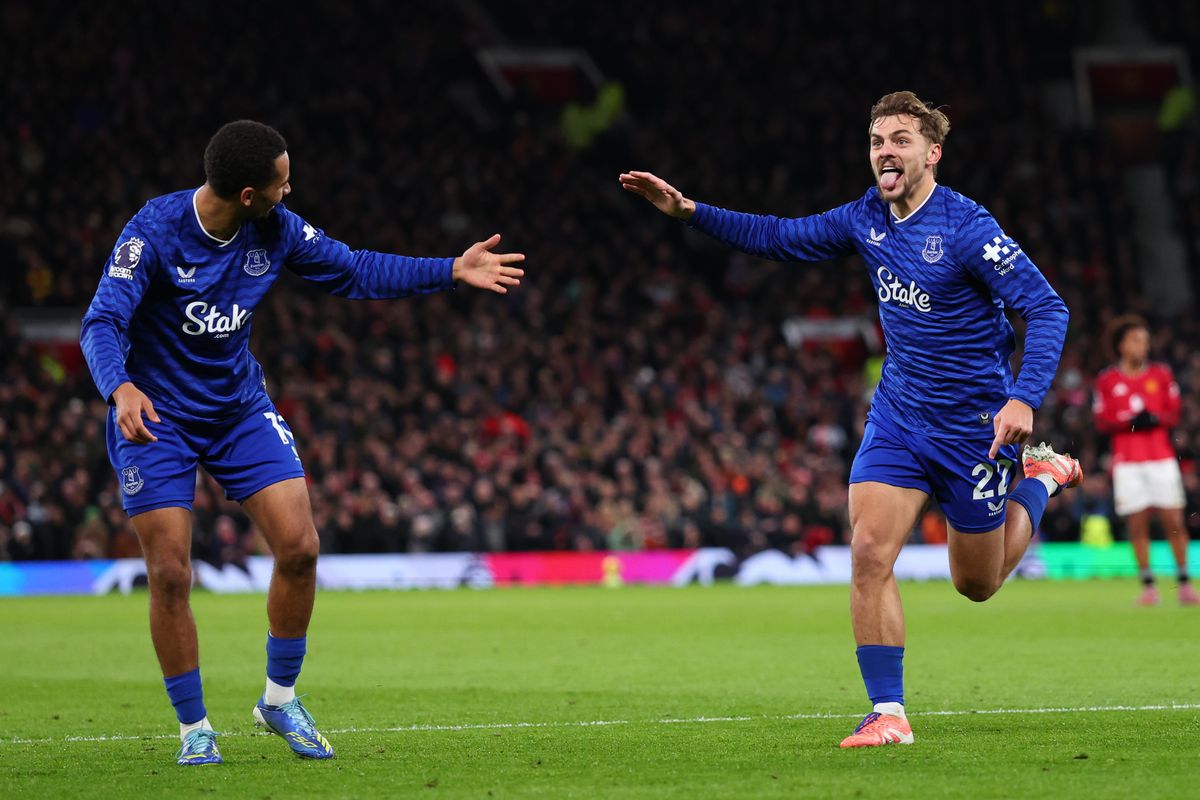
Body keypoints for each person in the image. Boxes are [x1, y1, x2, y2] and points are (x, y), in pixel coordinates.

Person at [620, 91, 1081, 748]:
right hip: (899, 416)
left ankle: (1042, 479)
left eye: (900, 140)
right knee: (868, 552)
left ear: (932, 153)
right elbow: (779, 237)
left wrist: (1025, 398)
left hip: (974, 427)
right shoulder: (865, 217)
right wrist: (690, 211)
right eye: (876, 141)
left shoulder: (967, 227)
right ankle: (888, 712)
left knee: (976, 584)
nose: (885, 151)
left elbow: (1047, 307)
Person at [81, 120, 525, 766]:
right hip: (154, 415)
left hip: (236, 408)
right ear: (246, 194)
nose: (289, 193)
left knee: (300, 547)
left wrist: (451, 270)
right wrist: (119, 387)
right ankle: (194, 728)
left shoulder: (277, 229)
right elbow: (102, 320)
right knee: (171, 574)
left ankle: (279, 699)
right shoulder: (153, 230)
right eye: (281, 184)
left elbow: (354, 268)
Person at [1093, 315, 1196, 606]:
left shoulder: (1161, 375)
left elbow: (1174, 412)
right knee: (1137, 524)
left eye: (1145, 341)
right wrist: (1128, 422)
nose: (1143, 346)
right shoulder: (1107, 380)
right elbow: (1102, 420)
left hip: (1161, 457)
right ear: (1122, 345)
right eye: (1137, 340)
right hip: (1127, 461)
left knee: (1174, 520)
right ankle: (1149, 586)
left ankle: (1184, 583)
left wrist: (1155, 418)